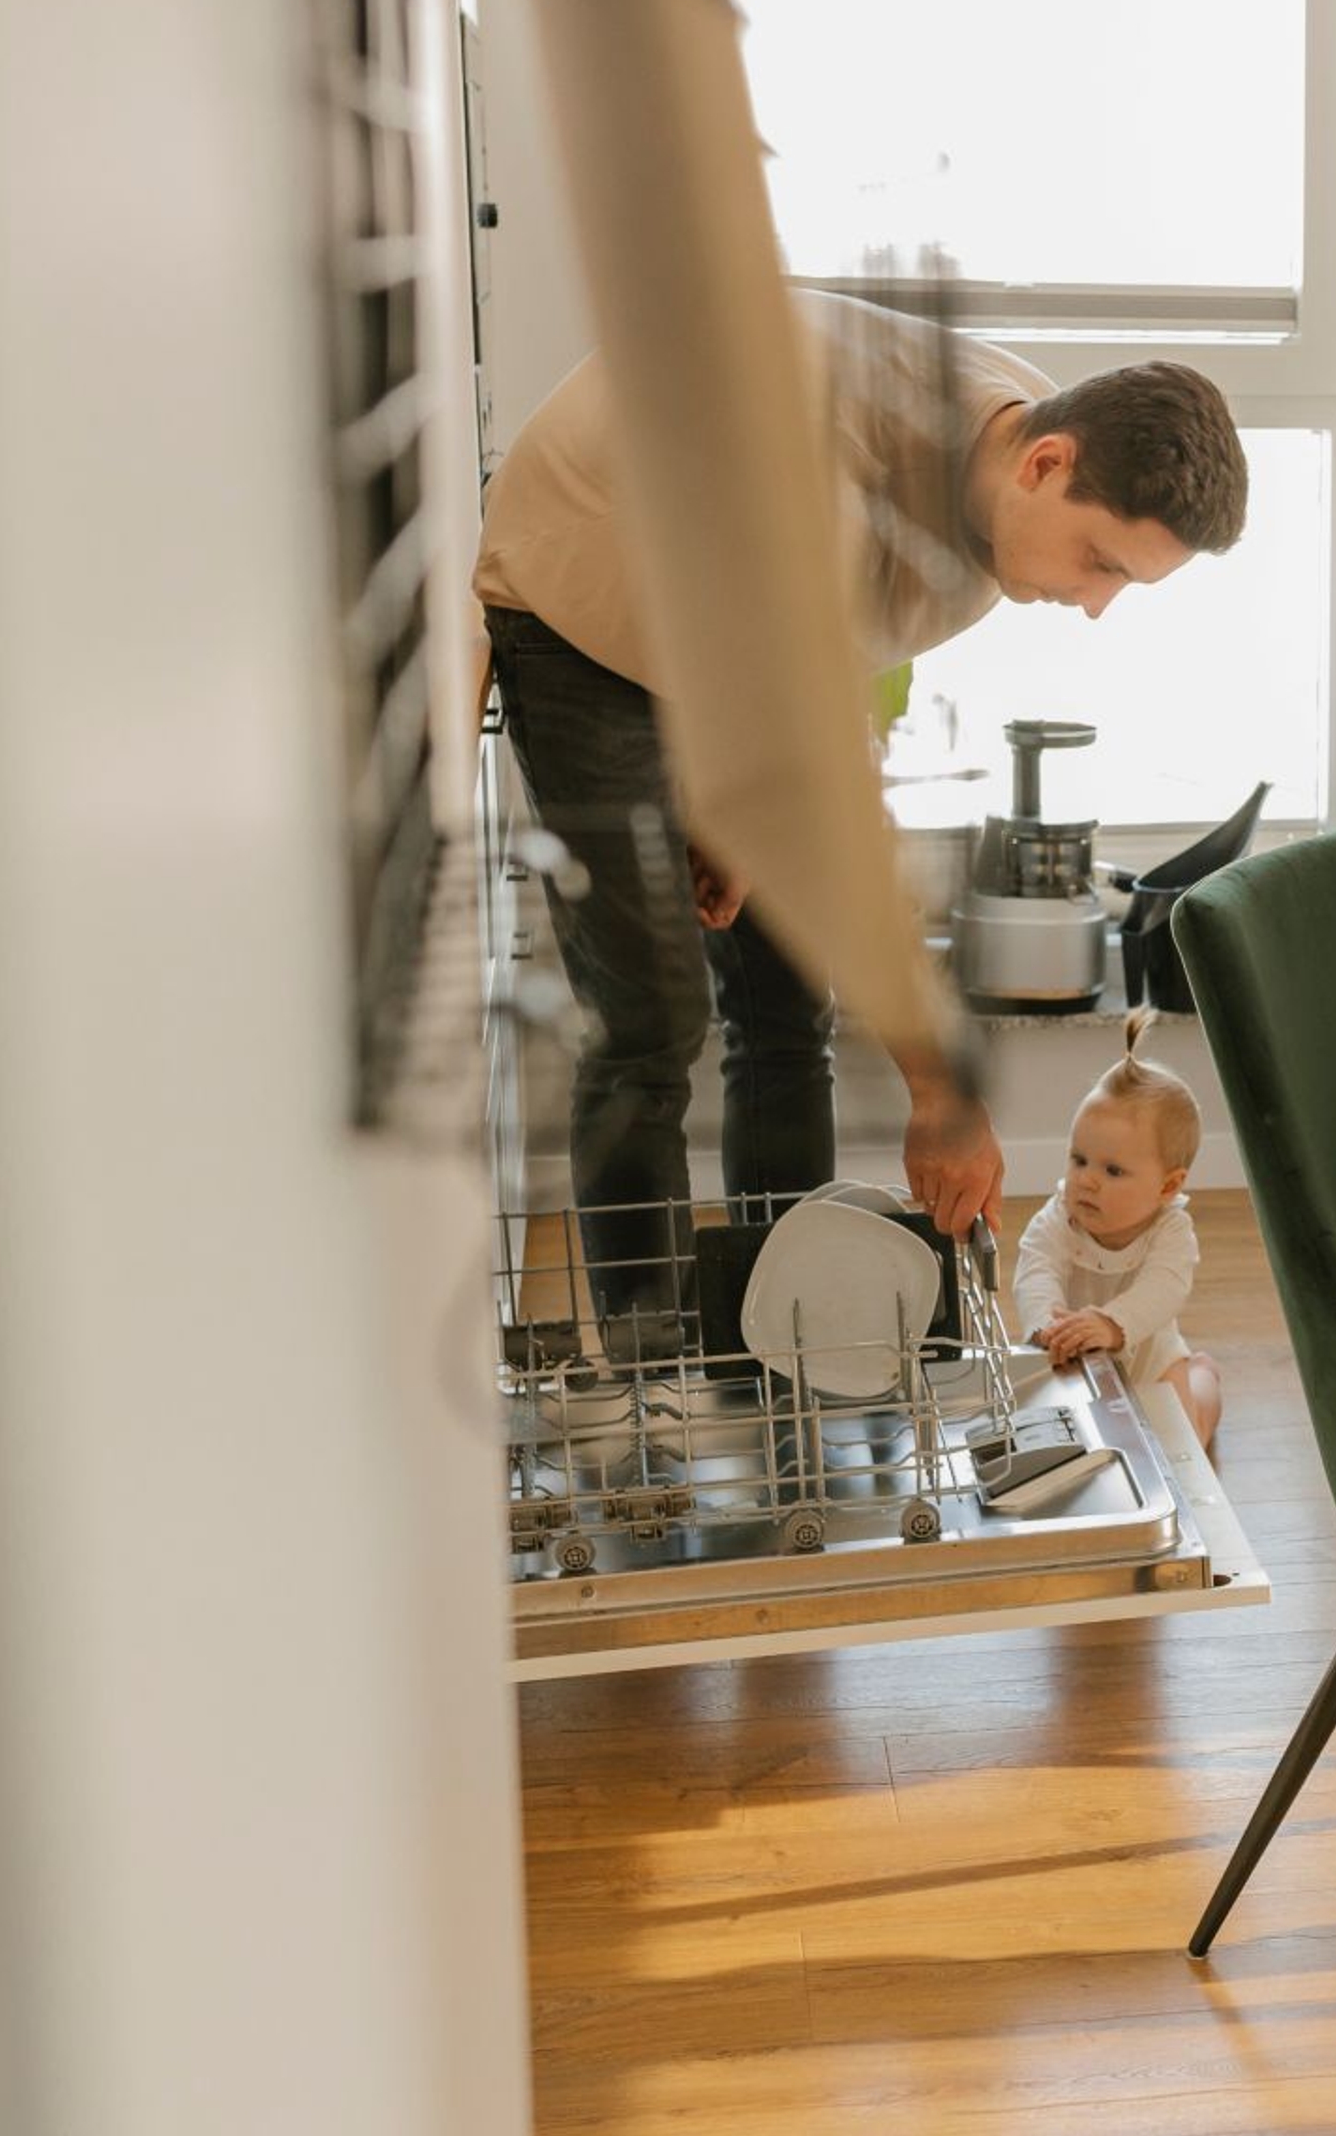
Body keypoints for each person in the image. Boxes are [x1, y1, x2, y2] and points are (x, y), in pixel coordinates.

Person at [479, 292, 1248, 1329]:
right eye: (1102, 561)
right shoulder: (837, 475)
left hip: (736, 634)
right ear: (1045, 465)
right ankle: (648, 1376)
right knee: (650, 1021)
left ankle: (787, 1338)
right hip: (585, 600)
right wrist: (940, 1090)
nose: (1097, 604)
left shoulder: (1004, 481)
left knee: (789, 999)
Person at [1012, 1011, 1222, 1450]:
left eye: (1112, 1170)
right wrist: (1045, 1324)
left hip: (1149, 1357)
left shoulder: (1171, 1230)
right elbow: (1035, 1268)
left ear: (1168, 1185)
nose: (1087, 1179)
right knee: (1059, 1440)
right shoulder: (1058, 1219)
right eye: (1079, 1159)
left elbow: (1165, 1287)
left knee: (1188, 1442)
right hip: (1069, 1355)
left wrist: (1112, 1323)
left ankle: (1204, 1378)